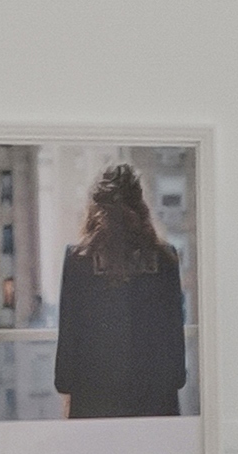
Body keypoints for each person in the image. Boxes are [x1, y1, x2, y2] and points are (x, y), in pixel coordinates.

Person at [51, 160, 192, 418]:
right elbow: (175, 345)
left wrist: (68, 392)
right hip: (155, 404)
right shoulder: (165, 258)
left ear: (95, 209)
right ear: (141, 206)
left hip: (94, 405)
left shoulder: (78, 259)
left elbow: (68, 344)